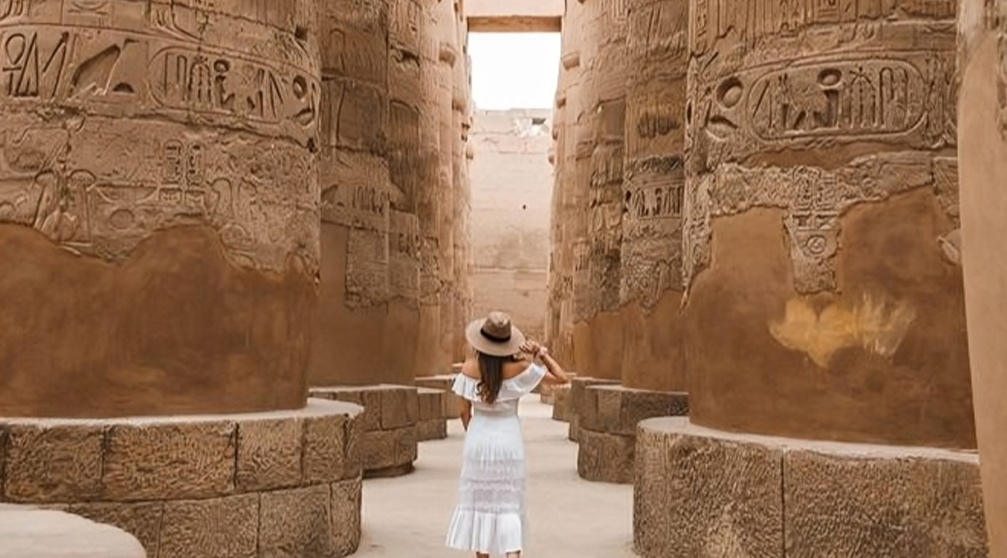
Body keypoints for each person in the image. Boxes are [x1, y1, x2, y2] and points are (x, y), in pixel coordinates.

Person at [445, 311, 569, 558]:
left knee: (480, 504)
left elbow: (463, 412)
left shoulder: (469, 369)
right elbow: (562, 378)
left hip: (479, 439)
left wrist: (476, 434)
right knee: (509, 505)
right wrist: (541, 354)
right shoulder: (521, 368)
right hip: (508, 439)